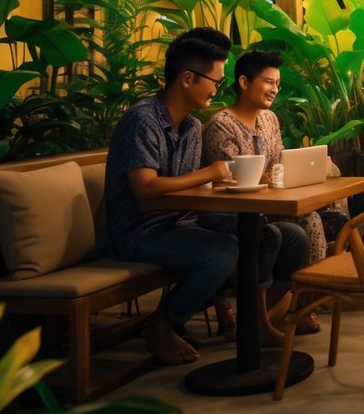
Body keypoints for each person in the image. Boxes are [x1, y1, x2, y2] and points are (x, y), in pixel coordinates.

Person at [104, 28, 241, 365]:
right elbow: (145, 189)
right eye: (215, 81)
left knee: (260, 234)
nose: (217, 89)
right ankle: (162, 326)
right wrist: (211, 174)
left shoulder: (192, 127)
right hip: (138, 230)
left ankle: (250, 321)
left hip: (177, 221)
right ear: (187, 78)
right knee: (222, 252)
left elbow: (186, 188)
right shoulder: (143, 120)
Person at [202, 49, 328, 337]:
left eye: (278, 84)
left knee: (313, 219)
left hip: (269, 205)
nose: (275, 89)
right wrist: (272, 178)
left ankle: (282, 311)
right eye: (269, 82)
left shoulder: (269, 119)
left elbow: (279, 163)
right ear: (244, 82)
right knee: (298, 226)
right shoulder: (221, 125)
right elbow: (234, 180)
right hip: (231, 212)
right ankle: (274, 315)